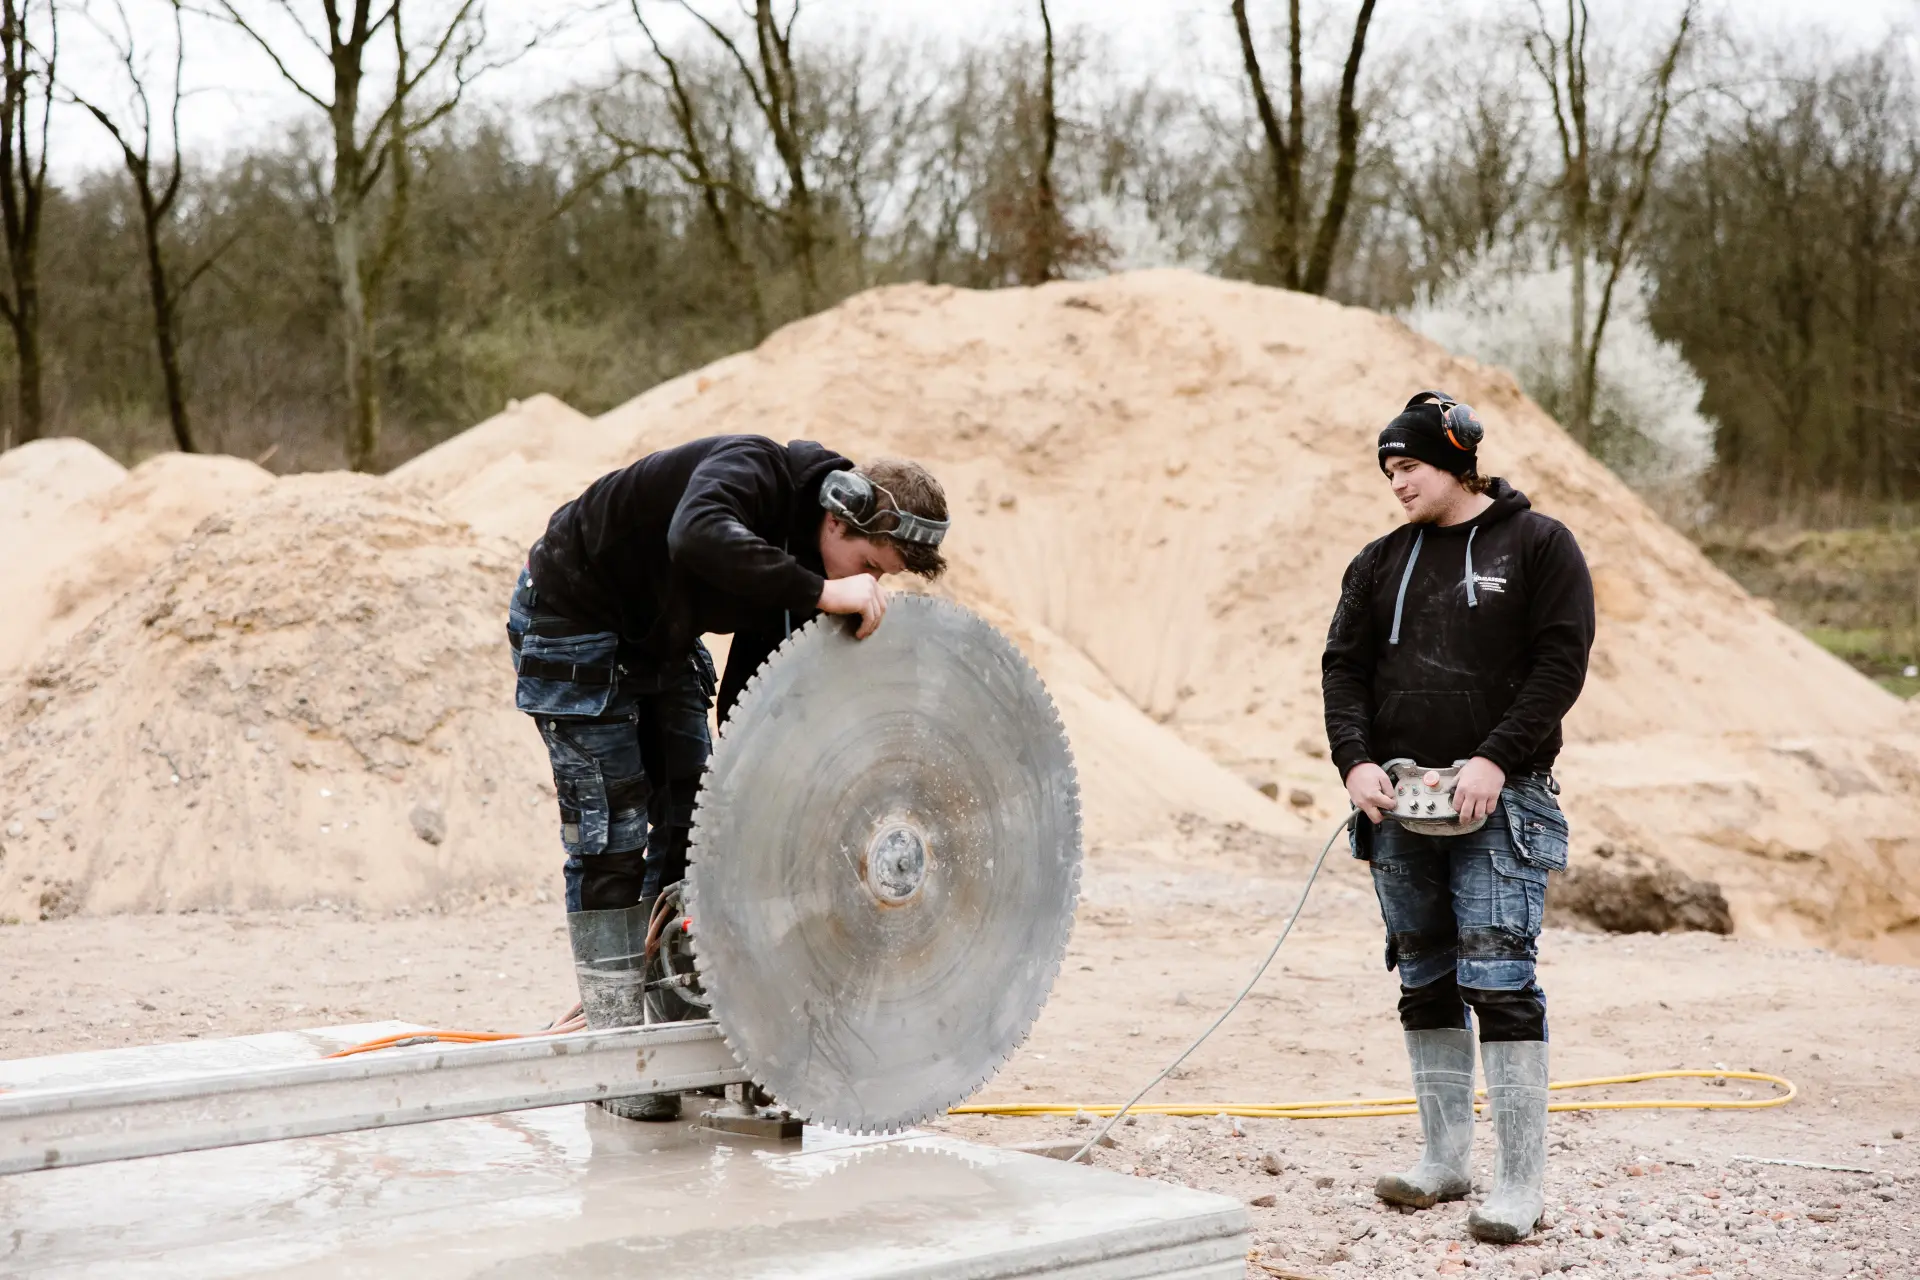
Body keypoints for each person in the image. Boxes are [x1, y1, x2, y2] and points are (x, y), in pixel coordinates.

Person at [507, 435, 950, 1120]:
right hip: (574, 616)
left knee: (697, 825)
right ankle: (617, 1058)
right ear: (839, 516)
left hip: (659, 638)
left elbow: (751, 699)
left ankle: (678, 1034)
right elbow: (696, 534)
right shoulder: (755, 470)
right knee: (611, 835)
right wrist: (825, 590)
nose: (870, 585)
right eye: (869, 566)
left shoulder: (803, 567)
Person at [1320, 391, 1595, 1243]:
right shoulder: (1378, 562)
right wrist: (1355, 761)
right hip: (1399, 802)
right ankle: (1443, 1160)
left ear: (1454, 461)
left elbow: (1561, 663)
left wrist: (1495, 758)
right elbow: (1342, 668)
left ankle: (1519, 1185)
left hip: (1501, 799)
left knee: (1500, 979)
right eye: (1388, 472)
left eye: (1408, 466)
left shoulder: (1539, 544)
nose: (1397, 484)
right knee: (1424, 976)